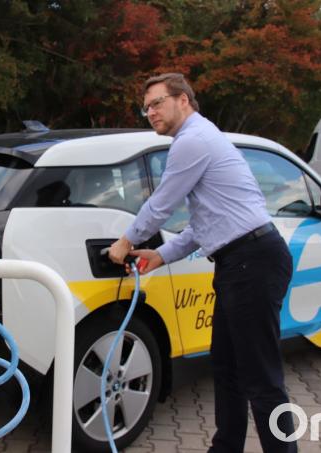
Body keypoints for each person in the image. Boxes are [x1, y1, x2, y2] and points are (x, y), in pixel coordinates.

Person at [108, 73, 297, 453]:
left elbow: (162, 203)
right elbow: (205, 223)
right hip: (240, 263)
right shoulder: (202, 138)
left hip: (252, 262)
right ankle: (225, 447)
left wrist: (126, 241)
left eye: (157, 102)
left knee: (261, 378)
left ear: (183, 100)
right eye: (145, 107)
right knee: (227, 368)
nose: (150, 112)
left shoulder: (192, 140)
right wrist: (161, 255)